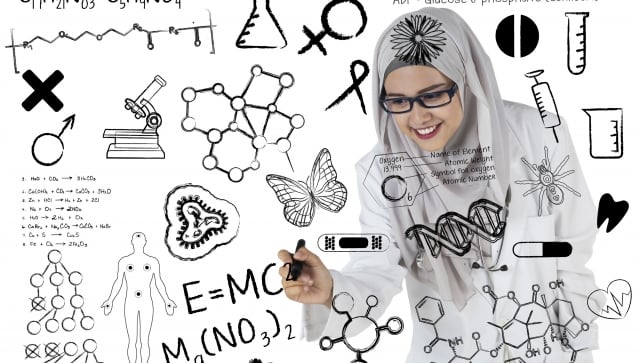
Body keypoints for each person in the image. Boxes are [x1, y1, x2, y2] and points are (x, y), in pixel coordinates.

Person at [277, 7, 602, 363]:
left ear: (467, 78)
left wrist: (578, 347)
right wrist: (330, 292)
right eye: (398, 101)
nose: (418, 117)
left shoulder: (538, 135)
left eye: (433, 95)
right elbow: (376, 269)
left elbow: (571, 255)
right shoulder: (381, 173)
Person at [102, 232, 177, 363]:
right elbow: (118, 282)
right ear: (132, 242)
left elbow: (158, 282)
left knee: (144, 341)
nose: (138, 242)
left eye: (140, 240)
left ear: (144, 242)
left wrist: (167, 300)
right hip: (130, 302)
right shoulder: (124, 261)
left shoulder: (152, 262)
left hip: (146, 302)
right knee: (132, 341)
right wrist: (110, 300)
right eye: (136, 240)